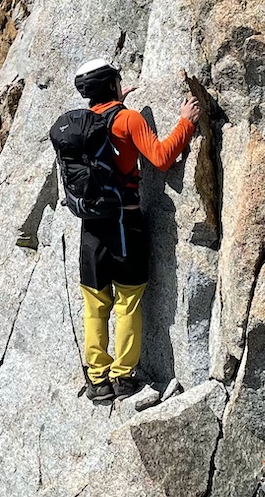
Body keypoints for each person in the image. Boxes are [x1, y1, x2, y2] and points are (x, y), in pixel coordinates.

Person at [68, 58, 201, 402]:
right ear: (113, 84)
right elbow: (160, 158)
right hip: (126, 224)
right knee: (128, 301)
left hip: (91, 229)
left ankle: (97, 380)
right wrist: (185, 124)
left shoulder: (81, 124)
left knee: (95, 304)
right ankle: (123, 377)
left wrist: (115, 102)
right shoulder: (127, 119)